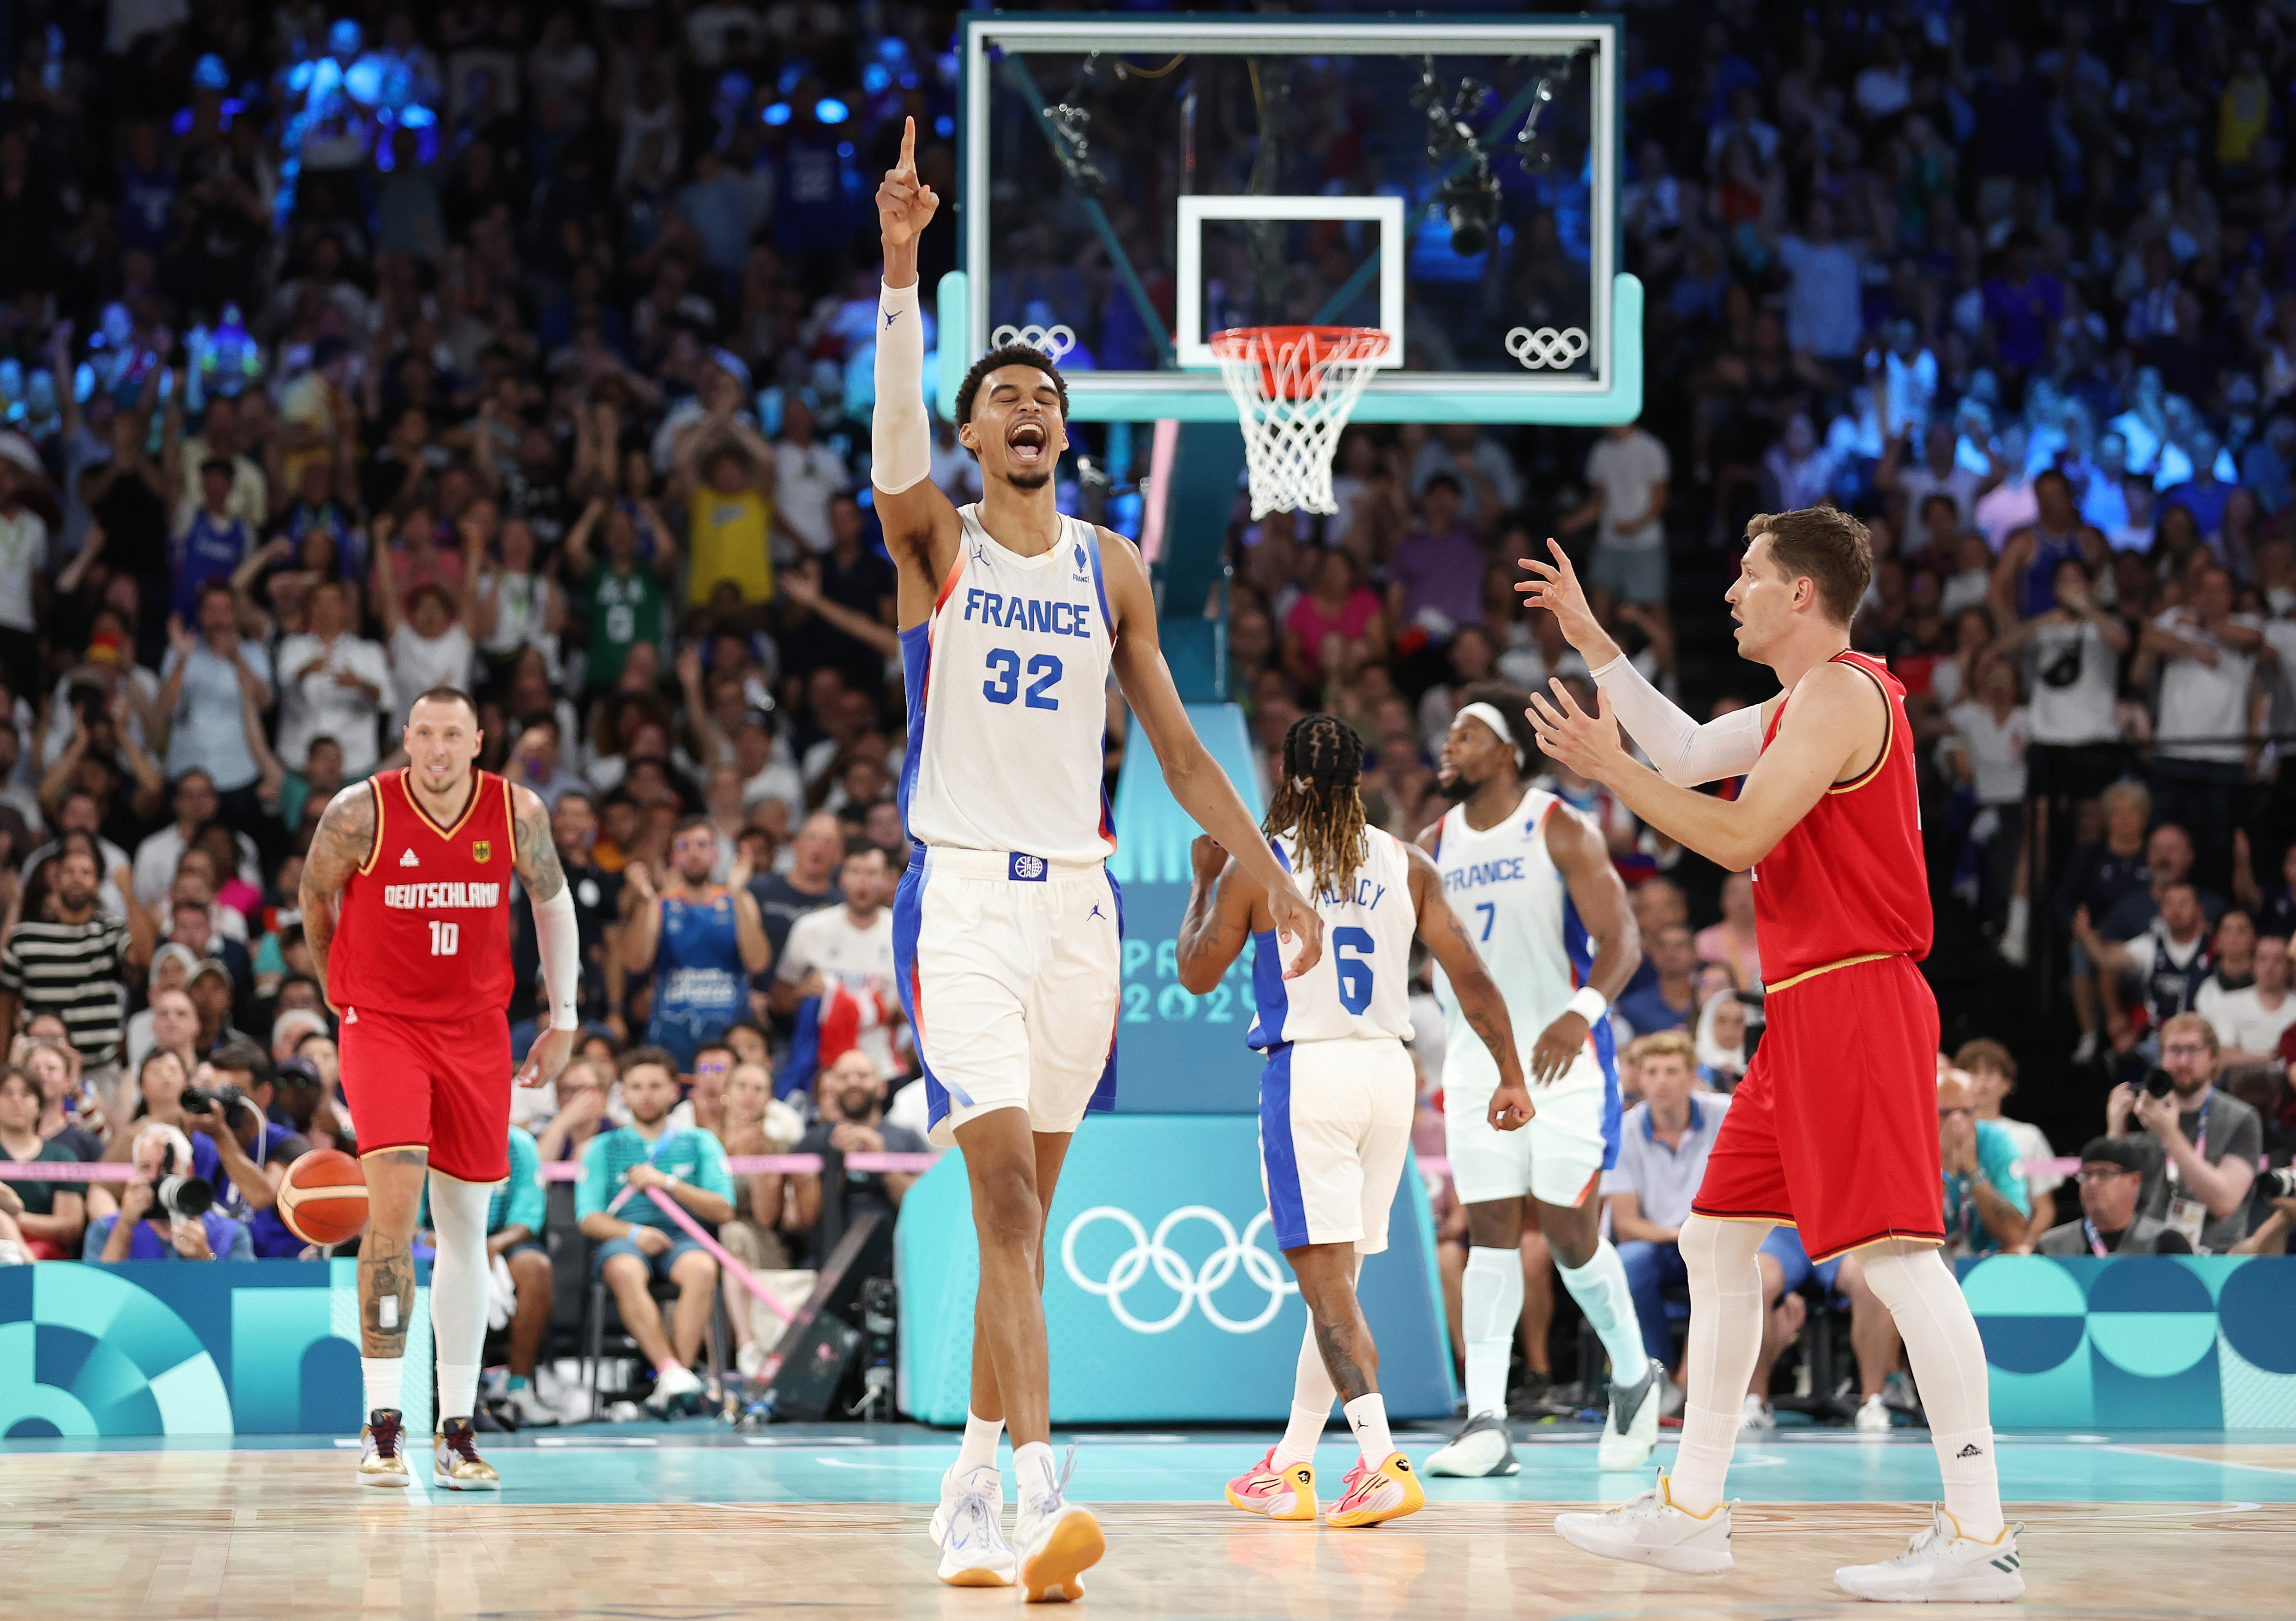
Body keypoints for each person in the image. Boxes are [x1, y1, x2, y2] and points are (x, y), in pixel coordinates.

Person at [872, 121, 1322, 1597]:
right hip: (960, 911)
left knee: (1031, 1224)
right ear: (967, 430)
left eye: (1042, 399)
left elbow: (1181, 754)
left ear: (1060, 434)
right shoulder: (940, 543)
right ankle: (1038, 1490)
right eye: (1000, 396)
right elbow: (886, 468)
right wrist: (899, 271)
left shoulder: (1108, 564)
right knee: (1003, 1206)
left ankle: (960, 1488)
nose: (1026, 410)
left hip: (1079, 912)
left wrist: (1268, 865)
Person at [1525, 509, 2022, 1598]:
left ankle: (1980, 1530)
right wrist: (1594, 640)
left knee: (1895, 1254)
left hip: (1855, 996)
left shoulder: (1844, 691)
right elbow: (1694, 752)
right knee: (1712, 1240)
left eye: (1747, 575)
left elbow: (1737, 835)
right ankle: (1692, 1510)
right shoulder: (1807, 699)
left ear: (1800, 593)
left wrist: (1609, 770)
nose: (1729, 592)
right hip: (1799, 1010)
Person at [1176, 712, 1531, 1530]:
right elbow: (1470, 976)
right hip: (1386, 1072)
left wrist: (1202, 881)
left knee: (1328, 1288)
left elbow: (1196, 972)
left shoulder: (1255, 866)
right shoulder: (1407, 863)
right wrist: (1510, 1073)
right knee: (1337, 1285)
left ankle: (1378, 1463)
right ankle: (1292, 1462)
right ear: (1359, 776)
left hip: (1310, 1072)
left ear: (1281, 773)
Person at [297, 687, 581, 1491]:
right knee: (392, 1214)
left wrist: (562, 1016)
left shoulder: (514, 810)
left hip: (476, 1029)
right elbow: (315, 896)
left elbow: (552, 901)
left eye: (452, 734)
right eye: (423, 733)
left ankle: (457, 1429)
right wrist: (333, 985)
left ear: (478, 742)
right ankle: (383, 1424)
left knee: (465, 1225)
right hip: (384, 1023)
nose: (437, 748)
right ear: (406, 738)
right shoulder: (361, 812)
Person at [1410, 685, 1654, 1481]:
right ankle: (1485, 1418)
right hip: (1477, 1067)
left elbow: (1622, 937)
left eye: (1463, 732)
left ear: (1506, 747)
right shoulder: (1428, 844)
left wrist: (1578, 1014)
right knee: (1487, 1235)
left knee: (1569, 1235)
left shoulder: (1557, 826)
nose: (1447, 745)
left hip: (1564, 1061)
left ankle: (1632, 1375)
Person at [574, 1047, 735, 1412]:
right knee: (625, 1269)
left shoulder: (699, 1142)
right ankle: (674, 1373)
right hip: (625, 1239)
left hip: (681, 1238)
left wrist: (667, 1183)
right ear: (624, 1093)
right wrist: (633, 1234)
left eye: (655, 1086)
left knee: (703, 1268)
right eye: (637, 1087)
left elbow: (724, 1209)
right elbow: (589, 1217)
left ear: (673, 1091)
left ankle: (672, 1380)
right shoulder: (603, 1147)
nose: (646, 1095)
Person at [1603, 1032, 1730, 1411]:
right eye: (1652, 1071)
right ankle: (1656, 1374)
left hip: (1713, 1241)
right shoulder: (1623, 1130)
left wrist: (1700, 1236)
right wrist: (1682, 1235)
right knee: (1628, 1262)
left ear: (1692, 1076)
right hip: (1660, 1242)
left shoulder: (1726, 1114)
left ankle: (1690, 1383)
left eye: (1672, 1071)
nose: (1661, 1081)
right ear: (1639, 1079)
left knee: (1721, 1263)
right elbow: (1626, 1225)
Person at [419, 1123, 556, 1428]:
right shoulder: (428, 1139)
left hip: (500, 1242)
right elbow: (411, 1220)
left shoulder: (519, 1145)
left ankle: (518, 1389)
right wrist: (444, 1243)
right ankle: (436, 1392)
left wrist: (493, 1245)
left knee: (536, 1269)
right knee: (413, 1272)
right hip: (439, 1243)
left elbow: (528, 1218)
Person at [621, 814, 769, 1071]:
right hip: (672, 1029)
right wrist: (645, 900)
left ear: (716, 854)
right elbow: (635, 963)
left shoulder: (739, 900)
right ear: (673, 857)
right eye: (683, 846)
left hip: (729, 1029)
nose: (693, 854)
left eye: (702, 845)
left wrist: (736, 892)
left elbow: (758, 963)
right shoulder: (660, 903)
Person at [2104, 1012, 2260, 1253]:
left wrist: (2169, 1136)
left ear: (2214, 1058)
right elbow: (2108, 1205)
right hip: (2147, 1253)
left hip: (2214, 1253)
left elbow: (2224, 1201)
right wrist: (2115, 1129)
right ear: (2161, 1058)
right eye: (2174, 1051)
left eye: (2193, 1050)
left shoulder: (2241, 1118)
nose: (2184, 1061)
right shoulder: (2142, 1110)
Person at [791, 1047, 929, 1262]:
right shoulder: (813, 1141)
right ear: (832, 1088)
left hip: (898, 1260)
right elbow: (806, 1218)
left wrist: (883, 1164)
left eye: (863, 1076)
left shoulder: (907, 1138)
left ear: (882, 1087)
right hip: (827, 1261)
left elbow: (924, 1208)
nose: (853, 1083)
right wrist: (835, 1162)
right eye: (844, 1077)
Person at [84, 1121, 252, 1261]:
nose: (156, 1177)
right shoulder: (104, 1231)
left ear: (190, 1171)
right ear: (134, 1173)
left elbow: (239, 1295)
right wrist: (125, 1226)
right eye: (145, 1167)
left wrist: (205, 1257)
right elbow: (100, 1292)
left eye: (168, 1167)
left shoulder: (231, 1234)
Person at [1955, 1039, 2061, 1250]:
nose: (1982, 1081)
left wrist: (2025, 1246)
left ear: (2007, 1084)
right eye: (1974, 1072)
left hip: (2006, 1246)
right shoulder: (1946, 1133)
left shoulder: (2029, 1136)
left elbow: (2045, 1206)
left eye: (1991, 1073)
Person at [2037, 1136, 2193, 1256]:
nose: (2093, 1183)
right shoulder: (2051, 1247)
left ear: (2134, 1181)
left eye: (2104, 1174)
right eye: (2086, 1175)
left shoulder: (2165, 1243)